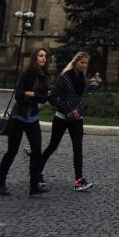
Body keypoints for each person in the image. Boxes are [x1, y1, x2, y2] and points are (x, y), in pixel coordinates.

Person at [39, 51, 100, 192]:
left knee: (78, 148)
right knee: (53, 145)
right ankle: (37, 171)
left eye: (86, 63)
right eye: (82, 63)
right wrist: (68, 109)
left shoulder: (82, 78)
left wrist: (79, 110)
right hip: (62, 117)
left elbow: (84, 98)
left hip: (77, 118)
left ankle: (78, 180)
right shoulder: (64, 77)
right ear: (75, 62)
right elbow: (53, 97)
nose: (84, 65)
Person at [0, 47, 50, 196]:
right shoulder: (26, 74)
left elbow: (44, 98)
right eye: (41, 55)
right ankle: (0, 183)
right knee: (12, 151)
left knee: (37, 151)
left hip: (33, 118)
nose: (44, 58)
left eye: (45, 56)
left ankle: (34, 186)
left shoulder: (44, 76)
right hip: (19, 117)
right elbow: (19, 94)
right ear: (34, 58)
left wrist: (32, 94)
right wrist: (33, 96)